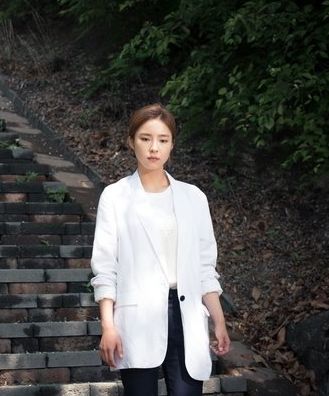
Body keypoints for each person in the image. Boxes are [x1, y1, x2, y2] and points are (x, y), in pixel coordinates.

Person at [90, 104, 230, 396]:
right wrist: (108, 326)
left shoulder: (193, 197)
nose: (154, 148)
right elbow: (105, 268)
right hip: (136, 319)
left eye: (163, 140)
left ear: (171, 145)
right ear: (131, 141)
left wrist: (219, 320)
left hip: (186, 315)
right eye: (145, 138)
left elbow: (205, 266)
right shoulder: (115, 197)